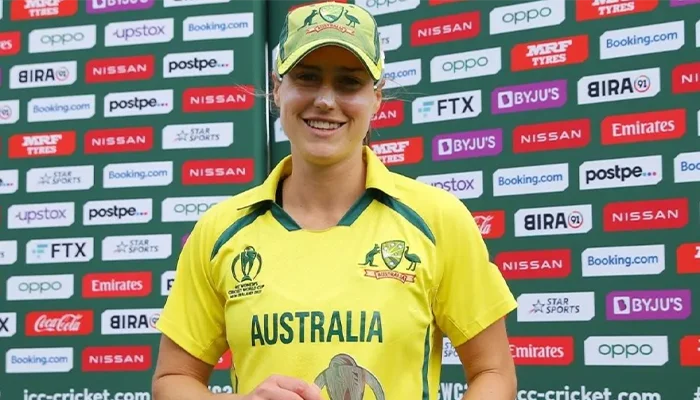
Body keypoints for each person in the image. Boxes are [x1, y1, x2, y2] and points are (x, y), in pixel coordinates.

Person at [151, 2, 519, 399]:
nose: (326, 100)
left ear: (376, 97)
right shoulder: (220, 230)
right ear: (278, 89)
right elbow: (173, 379)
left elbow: (494, 372)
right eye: (307, 78)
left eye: (349, 83)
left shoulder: (438, 219)